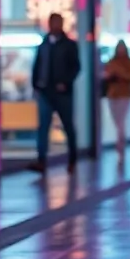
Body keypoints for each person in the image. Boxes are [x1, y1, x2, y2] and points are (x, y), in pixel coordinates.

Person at [28, 12, 81, 173]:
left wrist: (65, 82)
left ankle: (72, 160)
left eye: (57, 22)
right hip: (45, 92)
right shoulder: (43, 44)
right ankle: (41, 161)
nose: (55, 26)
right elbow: (37, 65)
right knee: (43, 127)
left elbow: (76, 67)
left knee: (68, 126)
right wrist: (35, 85)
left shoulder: (69, 45)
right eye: (52, 22)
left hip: (63, 93)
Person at [102, 40, 130, 158]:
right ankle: (120, 142)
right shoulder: (112, 62)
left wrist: (121, 74)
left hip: (124, 95)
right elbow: (106, 74)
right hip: (112, 94)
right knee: (116, 120)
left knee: (121, 121)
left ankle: (120, 145)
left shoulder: (129, 63)